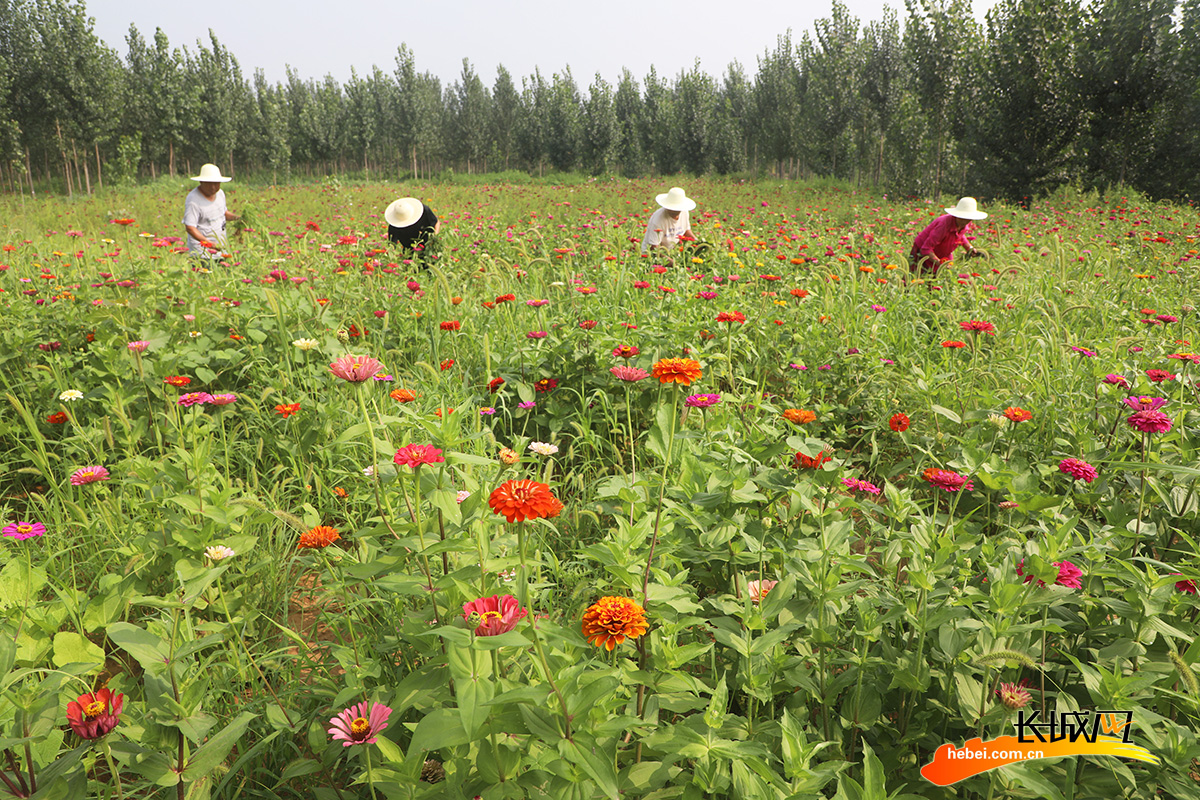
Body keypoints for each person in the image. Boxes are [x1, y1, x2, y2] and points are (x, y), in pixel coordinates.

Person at [910, 197, 987, 275]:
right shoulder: (943, 226)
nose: (965, 221)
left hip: (943, 253)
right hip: (923, 253)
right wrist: (940, 263)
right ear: (957, 215)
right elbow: (926, 249)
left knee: (943, 279)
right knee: (918, 277)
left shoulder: (966, 223)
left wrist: (969, 248)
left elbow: (960, 235)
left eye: (968, 219)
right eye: (962, 218)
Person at [183, 164, 237, 258]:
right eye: (209, 183)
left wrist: (238, 218)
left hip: (221, 249)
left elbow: (224, 213)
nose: (213, 187)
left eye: (216, 183)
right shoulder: (193, 200)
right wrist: (209, 244)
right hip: (202, 253)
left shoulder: (220, 194)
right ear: (201, 182)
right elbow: (190, 227)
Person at [641, 187, 696, 254]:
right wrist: (670, 262)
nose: (673, 211)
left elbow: (686, 230)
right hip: (651, 255)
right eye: (671, 208)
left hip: (671, 252)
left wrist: (697, 242)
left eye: (676, 209)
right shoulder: (658, 219)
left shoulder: (685, 213)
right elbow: (654, 247)